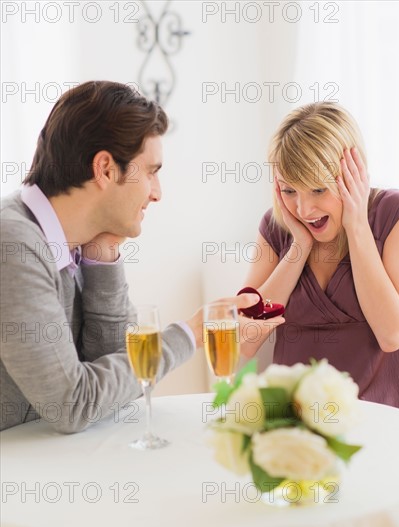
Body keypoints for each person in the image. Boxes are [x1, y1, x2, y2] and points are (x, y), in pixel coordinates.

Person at [0, 81, 284, 434]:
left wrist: (102, 259)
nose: (157, 193)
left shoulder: (75, 241)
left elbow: (119, 386)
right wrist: (189, 334)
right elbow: (71, 405)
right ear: (105, 169)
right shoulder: (13, 243)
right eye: (151, 172)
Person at [244, 102, 399, 417]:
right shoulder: (278, 228)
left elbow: (392, 335)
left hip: (383, 420)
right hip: (297, 424)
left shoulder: (396, 213)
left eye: (317, 189)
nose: (304, 210)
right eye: (289, 191)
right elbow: (242, 341)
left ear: (351, 175)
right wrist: (298, 249)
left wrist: (357, 226)